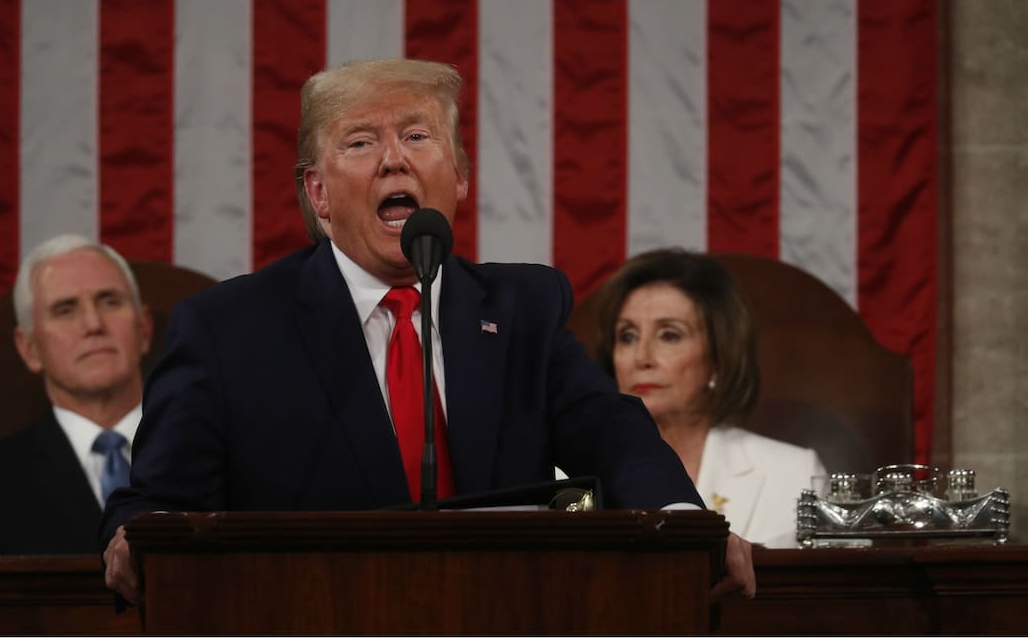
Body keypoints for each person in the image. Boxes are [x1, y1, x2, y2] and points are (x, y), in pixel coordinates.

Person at [101, 58, 755, 602]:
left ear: (460, 176)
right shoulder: (228, 330)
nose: (394, 160)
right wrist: (137, 537)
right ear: (318, 194)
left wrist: (684, 523)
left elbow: (614, 436)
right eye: (360, 142)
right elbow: (156, 505)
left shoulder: (524, 307)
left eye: (418, 136)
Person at [0, 234, 153, 554]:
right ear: (29, 348)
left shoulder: (218, 454)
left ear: (144, 328)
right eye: (65, 310)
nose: (93, 324)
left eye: (110, 302)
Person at [589, 248, 826, 547]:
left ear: (717, 359)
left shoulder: (792, 474)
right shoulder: (565, 478)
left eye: (669, 335)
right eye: (627, 336)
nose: (641, 358)